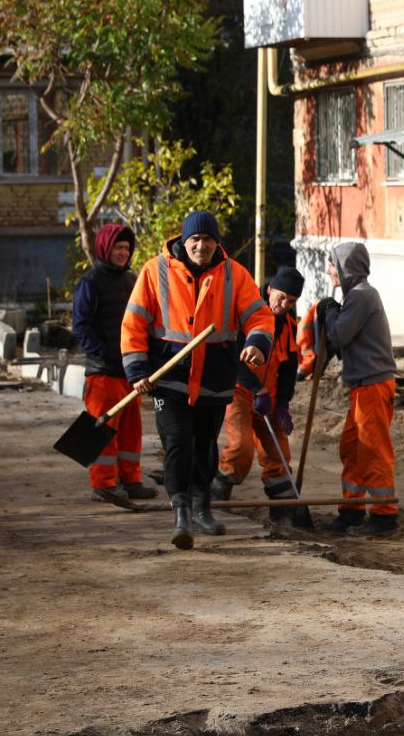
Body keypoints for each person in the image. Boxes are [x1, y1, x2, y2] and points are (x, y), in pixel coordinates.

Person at [122, 210, 274, 550]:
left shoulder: (234, 274)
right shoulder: (154, 271)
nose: (200, 246)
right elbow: (133, 325)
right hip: (168, 380)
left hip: (214, 379)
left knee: (205, 444)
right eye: (195, 239)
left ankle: (202, 505)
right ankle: (181, 514)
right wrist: (137, 371)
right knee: (177, 441)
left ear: (216, 242)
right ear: (183, 240)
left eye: (207, 240)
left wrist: (256, 344)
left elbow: (260, 316)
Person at [212, 266, 310, 527]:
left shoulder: (289, 325)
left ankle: (283, 513)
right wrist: (257, 389)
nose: (284, 304)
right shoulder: (248, 315)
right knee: (241, 450)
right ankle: (215, 495)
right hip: (240, 392)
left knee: (279, 456)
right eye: (281, 296)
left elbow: (288, 368)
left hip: (270, 398)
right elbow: (234, 358)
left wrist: (283, 405)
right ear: (269, 289)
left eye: (291, 301)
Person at [72, 223, 157, 502]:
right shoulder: (90, 282)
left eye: (126, 248)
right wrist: (104, 353)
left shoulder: (132, 280)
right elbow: (81, 326)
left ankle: (130, 479)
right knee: (102, 428)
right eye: (118, 248)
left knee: (131, 429)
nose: (123, 253)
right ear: (105, 248)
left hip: (129, 372)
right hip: (103, 372)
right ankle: (103, 483)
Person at [319, 243, 398, 537]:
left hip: (373, 386)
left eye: (332, 264)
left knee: (372, 451)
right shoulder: (356, 297)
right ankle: (351, 510)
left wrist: (329, 313)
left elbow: (340, 335)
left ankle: (384, 515)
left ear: (345, 267)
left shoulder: (362, 296)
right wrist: (333, 311)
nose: (330, 270)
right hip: (362, 386)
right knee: (352, 448)